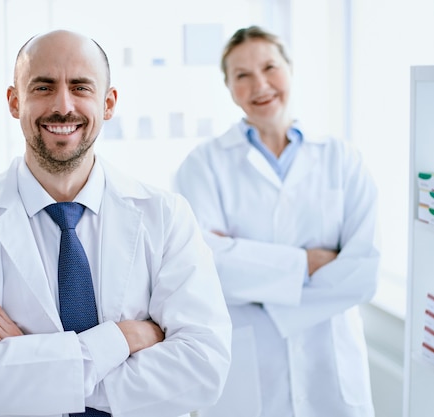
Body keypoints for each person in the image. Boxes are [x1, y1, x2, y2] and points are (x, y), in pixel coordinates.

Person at [0, 29, 232, 417]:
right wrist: (122, 338)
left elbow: (203, 371)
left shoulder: (166, 216)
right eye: (43, 87)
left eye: (81, 87)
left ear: (108, 103)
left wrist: (35, 363)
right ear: (15, 101)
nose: (63, 105)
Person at [174, 25, 380, 417]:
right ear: (229, 88)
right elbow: (204, 269)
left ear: (290, 69)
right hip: (249, 367)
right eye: (242, 75)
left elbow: (363, 272)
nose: (260, 84)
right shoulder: (202, 165)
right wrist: (306, 263)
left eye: (270, 67)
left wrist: (251, 273)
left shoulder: (342, 158)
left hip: (331, 361)